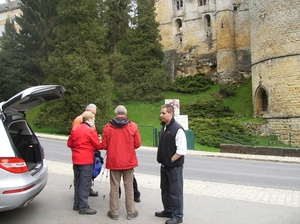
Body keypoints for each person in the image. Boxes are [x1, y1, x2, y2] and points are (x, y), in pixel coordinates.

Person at [102, 105, 141, 220]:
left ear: (116, 113)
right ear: (125, 113)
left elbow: (104, 145)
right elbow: (137, 144)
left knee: (114, 187)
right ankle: (131, 212)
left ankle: (114, 212)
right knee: (129, 186)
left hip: (114, 160)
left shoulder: (108, 127)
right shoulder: (133, 126)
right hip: (128, 161)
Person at [155, 104, 187, 224]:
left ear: (171, 114)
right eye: (161, 113)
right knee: (165, 189)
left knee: (175, 191)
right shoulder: (164, 127)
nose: (161, 115)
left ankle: (178, 216)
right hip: (164, 166)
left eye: (163, 113)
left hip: (174, 167)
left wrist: (171, 160)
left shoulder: (177, 129)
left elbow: (182, 150)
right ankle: (168, 210)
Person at [67, 111, 102, 215]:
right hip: (86, 159)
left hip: (76, 159)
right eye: (93, 119)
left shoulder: (75, 129)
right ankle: (83, 207)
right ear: (90, 119)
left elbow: (69, 143)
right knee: (85, 183)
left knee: (77, 182)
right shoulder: (90, 131)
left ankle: (76, 203)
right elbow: (98, 145)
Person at [72, 103, 99, 197]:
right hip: (83, 152)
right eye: (92, 113)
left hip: (84, 152)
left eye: (94, 113)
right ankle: (83, 199)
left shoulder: (90, 121)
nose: (94, 115)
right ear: (87, 111)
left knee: (85, 175)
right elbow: (76, 136)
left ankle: (86, 190)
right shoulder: (79, 119)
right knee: (83, 176)